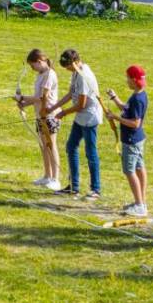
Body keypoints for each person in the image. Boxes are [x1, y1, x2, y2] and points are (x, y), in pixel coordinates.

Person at [49, 49, 103, 200]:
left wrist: (63, 113)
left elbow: (81, 104)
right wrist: (53, 108)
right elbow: (70, 94)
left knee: (90, 152)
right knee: (71, 146)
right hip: (81, 117)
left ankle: (96, 189)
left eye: (68, 66)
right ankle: (74, 186)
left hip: (90, 117)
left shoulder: (84, 75)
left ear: (75, 62)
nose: (67, 69)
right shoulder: (75, 72)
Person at [104, 65, 149, 217]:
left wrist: (115, 117)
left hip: (131, 140)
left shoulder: (137, 99)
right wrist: (114, 97)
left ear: (134, 80)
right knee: (139, 168)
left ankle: (139, 205)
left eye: (128, 78)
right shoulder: (139, 95)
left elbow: (135, 123)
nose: (127, 80)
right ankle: (141, 202)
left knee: (129, 171)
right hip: (137, 139)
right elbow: (126, 109)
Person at [16, 49, 61, 191]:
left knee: (51, 145)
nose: (32, 68)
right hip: (40, 115)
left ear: (40, 61)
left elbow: (42, 98)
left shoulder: (50, 75)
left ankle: (56, 179)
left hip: (50, 115)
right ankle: (47, 176)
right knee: (43, 146)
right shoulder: (41, 75)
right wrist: (24, 103)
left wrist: (23, 98)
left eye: (33, 65)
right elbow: (37, 98)